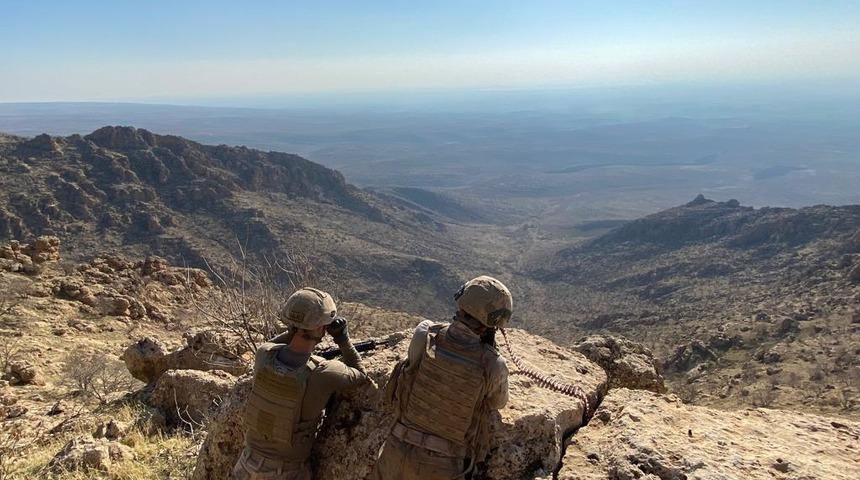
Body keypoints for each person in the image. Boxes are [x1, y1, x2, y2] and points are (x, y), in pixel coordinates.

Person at [372, 275, 512, 480]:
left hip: (395, 449)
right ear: (494, 322)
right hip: (441, 465)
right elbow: (498, 402)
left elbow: (409, 366)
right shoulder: (493, 364)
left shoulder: (426, 334)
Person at [233, 287, 370, 480]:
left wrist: (296, 329)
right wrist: (342, 338)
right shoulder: (324, 372)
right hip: (286, 472)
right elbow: (360, 373)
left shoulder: (264, 356)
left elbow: (273, 344)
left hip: (246, 465)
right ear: (321, 327)